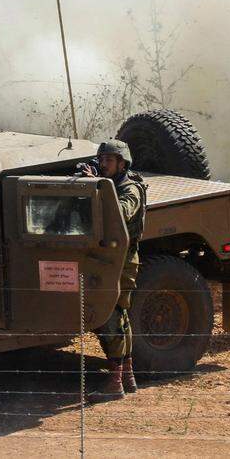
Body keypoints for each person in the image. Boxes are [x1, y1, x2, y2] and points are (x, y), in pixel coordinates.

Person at [79, 139, 147, 400]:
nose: (103, 164)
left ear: (122, 163)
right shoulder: (113, 185)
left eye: (109, 160)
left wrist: (96, 189)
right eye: (101, 160)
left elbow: (120, 213)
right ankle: (126, 377)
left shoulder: (130, 189)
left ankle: (115, 382)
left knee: (110, 315)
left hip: (122, 261)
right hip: (112, 259)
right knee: (120, 316)